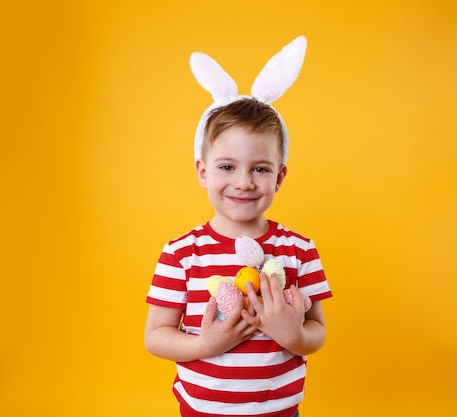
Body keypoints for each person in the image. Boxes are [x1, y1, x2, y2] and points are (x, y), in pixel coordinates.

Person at [144, 36, 332, 417]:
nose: (244, 182)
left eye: (260, 169)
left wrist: (292, 334)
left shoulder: (299, 249)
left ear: (279, 177)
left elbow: (318, 332)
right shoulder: (181, 253)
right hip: (203, 410)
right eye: (227, 166)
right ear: (203, 171)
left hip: (280, 410)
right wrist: (205, 345)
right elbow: (155, 337)